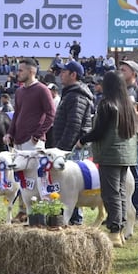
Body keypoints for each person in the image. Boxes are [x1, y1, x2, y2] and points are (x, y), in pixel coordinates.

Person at [76, 71, 137, 247]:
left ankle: (115, 231)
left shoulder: (107, 104)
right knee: (121, 192)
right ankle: (121, 230)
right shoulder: (127, 105)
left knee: (110, 194)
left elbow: (99, 131)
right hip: (126, 155)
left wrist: (83, 140)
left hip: (110, 154)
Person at [51, 61, 94, 225]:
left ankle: (75, 219)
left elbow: (74, 125)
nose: (61, 74)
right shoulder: (71, 94)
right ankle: (70, 216)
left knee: (72, 182)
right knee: (67, 183)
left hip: (72, 148)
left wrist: (61, 150)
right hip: (69, 146)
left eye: (64, 72)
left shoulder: (77, 95)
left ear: (73, 74)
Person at [118, 59, 138, 222]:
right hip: (118, 138)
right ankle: (121, 209)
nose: (120, 71)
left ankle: (137, 211)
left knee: (134, 173)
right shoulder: (117, 92)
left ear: (134, 74)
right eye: (120, 69)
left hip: (134, 138)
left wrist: (132, 113)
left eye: (124, 70)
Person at [4, 57, 55, 152]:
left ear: (31, 71)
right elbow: (16, 114)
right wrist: (10, 133)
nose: (17, 73)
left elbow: (51, 114)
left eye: (20, 70)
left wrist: (37, 135)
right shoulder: (19, 91)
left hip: (33, 143)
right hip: (17, 141)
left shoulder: (42, 90)